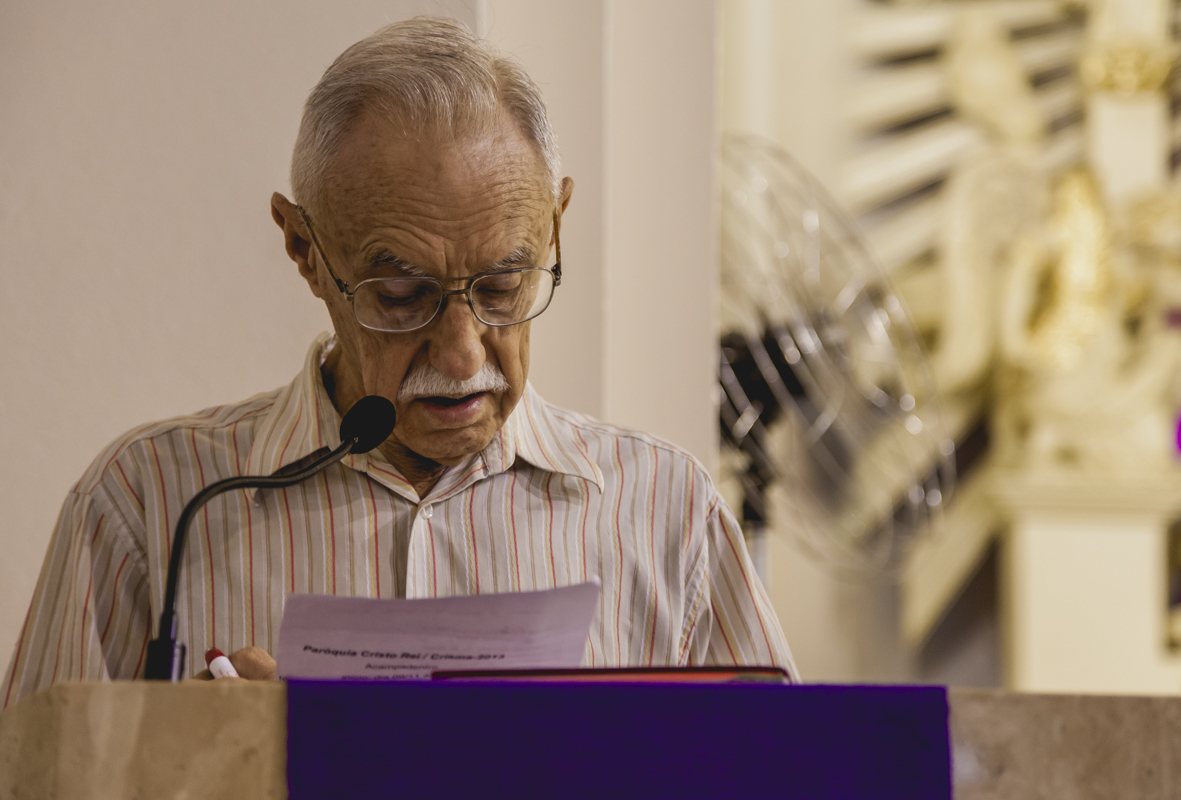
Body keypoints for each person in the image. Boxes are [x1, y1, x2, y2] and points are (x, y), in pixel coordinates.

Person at [2, 17, 794, 705]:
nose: (460, 353)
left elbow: (799, 775)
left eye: (502, 286)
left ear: (556, 229)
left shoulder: (667, 515)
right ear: (305, 250)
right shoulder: (151, 506)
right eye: (402, 293)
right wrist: (191, 761)